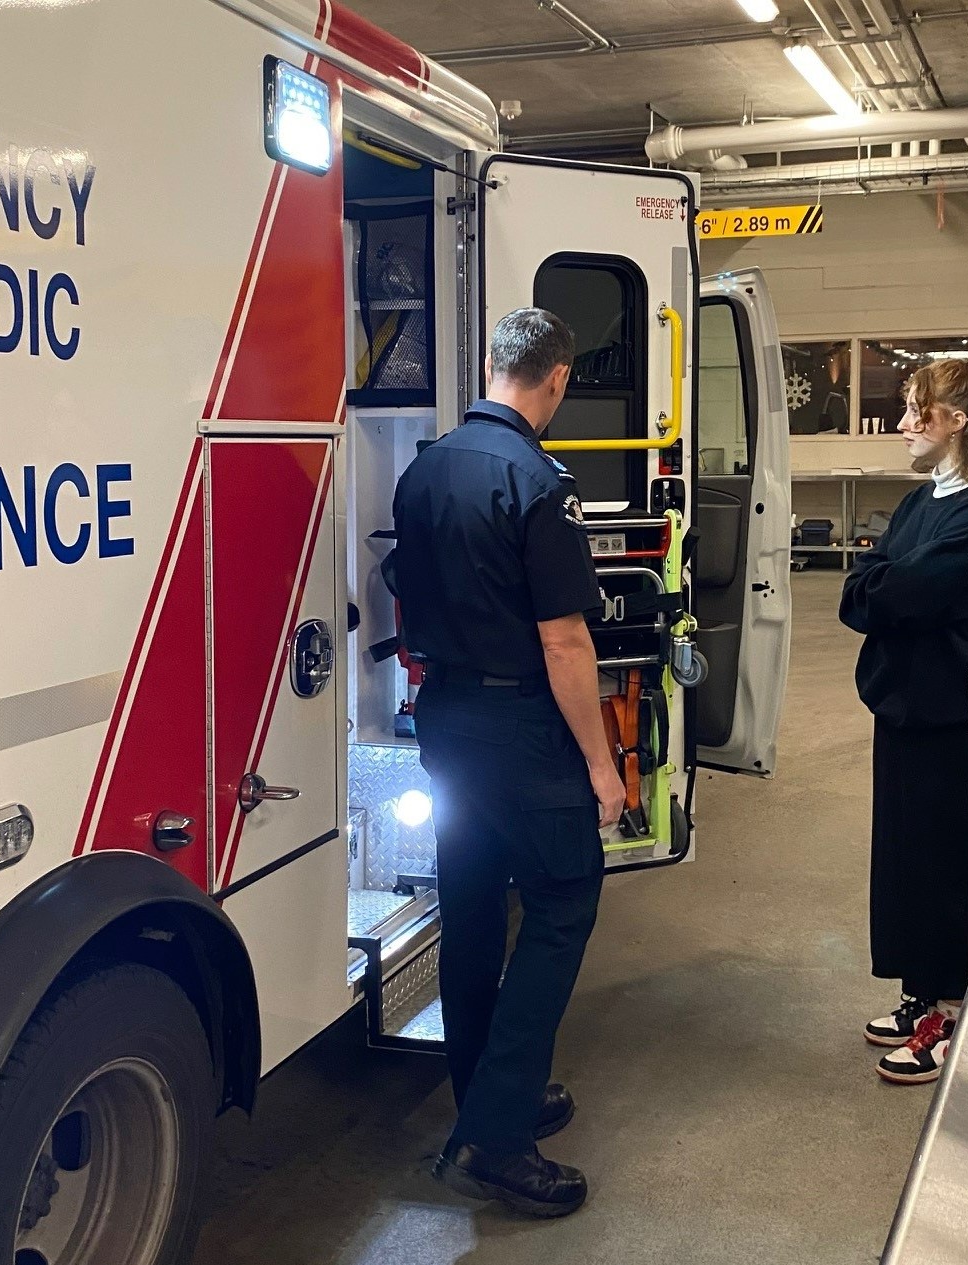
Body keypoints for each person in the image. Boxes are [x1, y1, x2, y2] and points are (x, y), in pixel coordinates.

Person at [388, 307, 625, 1219]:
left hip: (444, 718)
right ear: (557, 379)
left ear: (490, 365)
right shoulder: (539, 482)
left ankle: (487, 1098)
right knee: (565, 902)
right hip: (520, 724)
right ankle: (499, 1137)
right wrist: (603, 771)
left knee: (474, 909)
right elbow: (565, 642)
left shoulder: (425, 469)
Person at [839, 356, 968, 1085]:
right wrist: (883, 588)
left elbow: (895, 593)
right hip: (901, 702)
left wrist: (883, 589)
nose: (903, 424)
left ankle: (949, 1007)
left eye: (916, 410)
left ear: (954, 421)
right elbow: (864, 592)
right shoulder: (923, 504)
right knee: (902, 853)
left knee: (942, 858)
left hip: (945, 710)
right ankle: (919, 986)